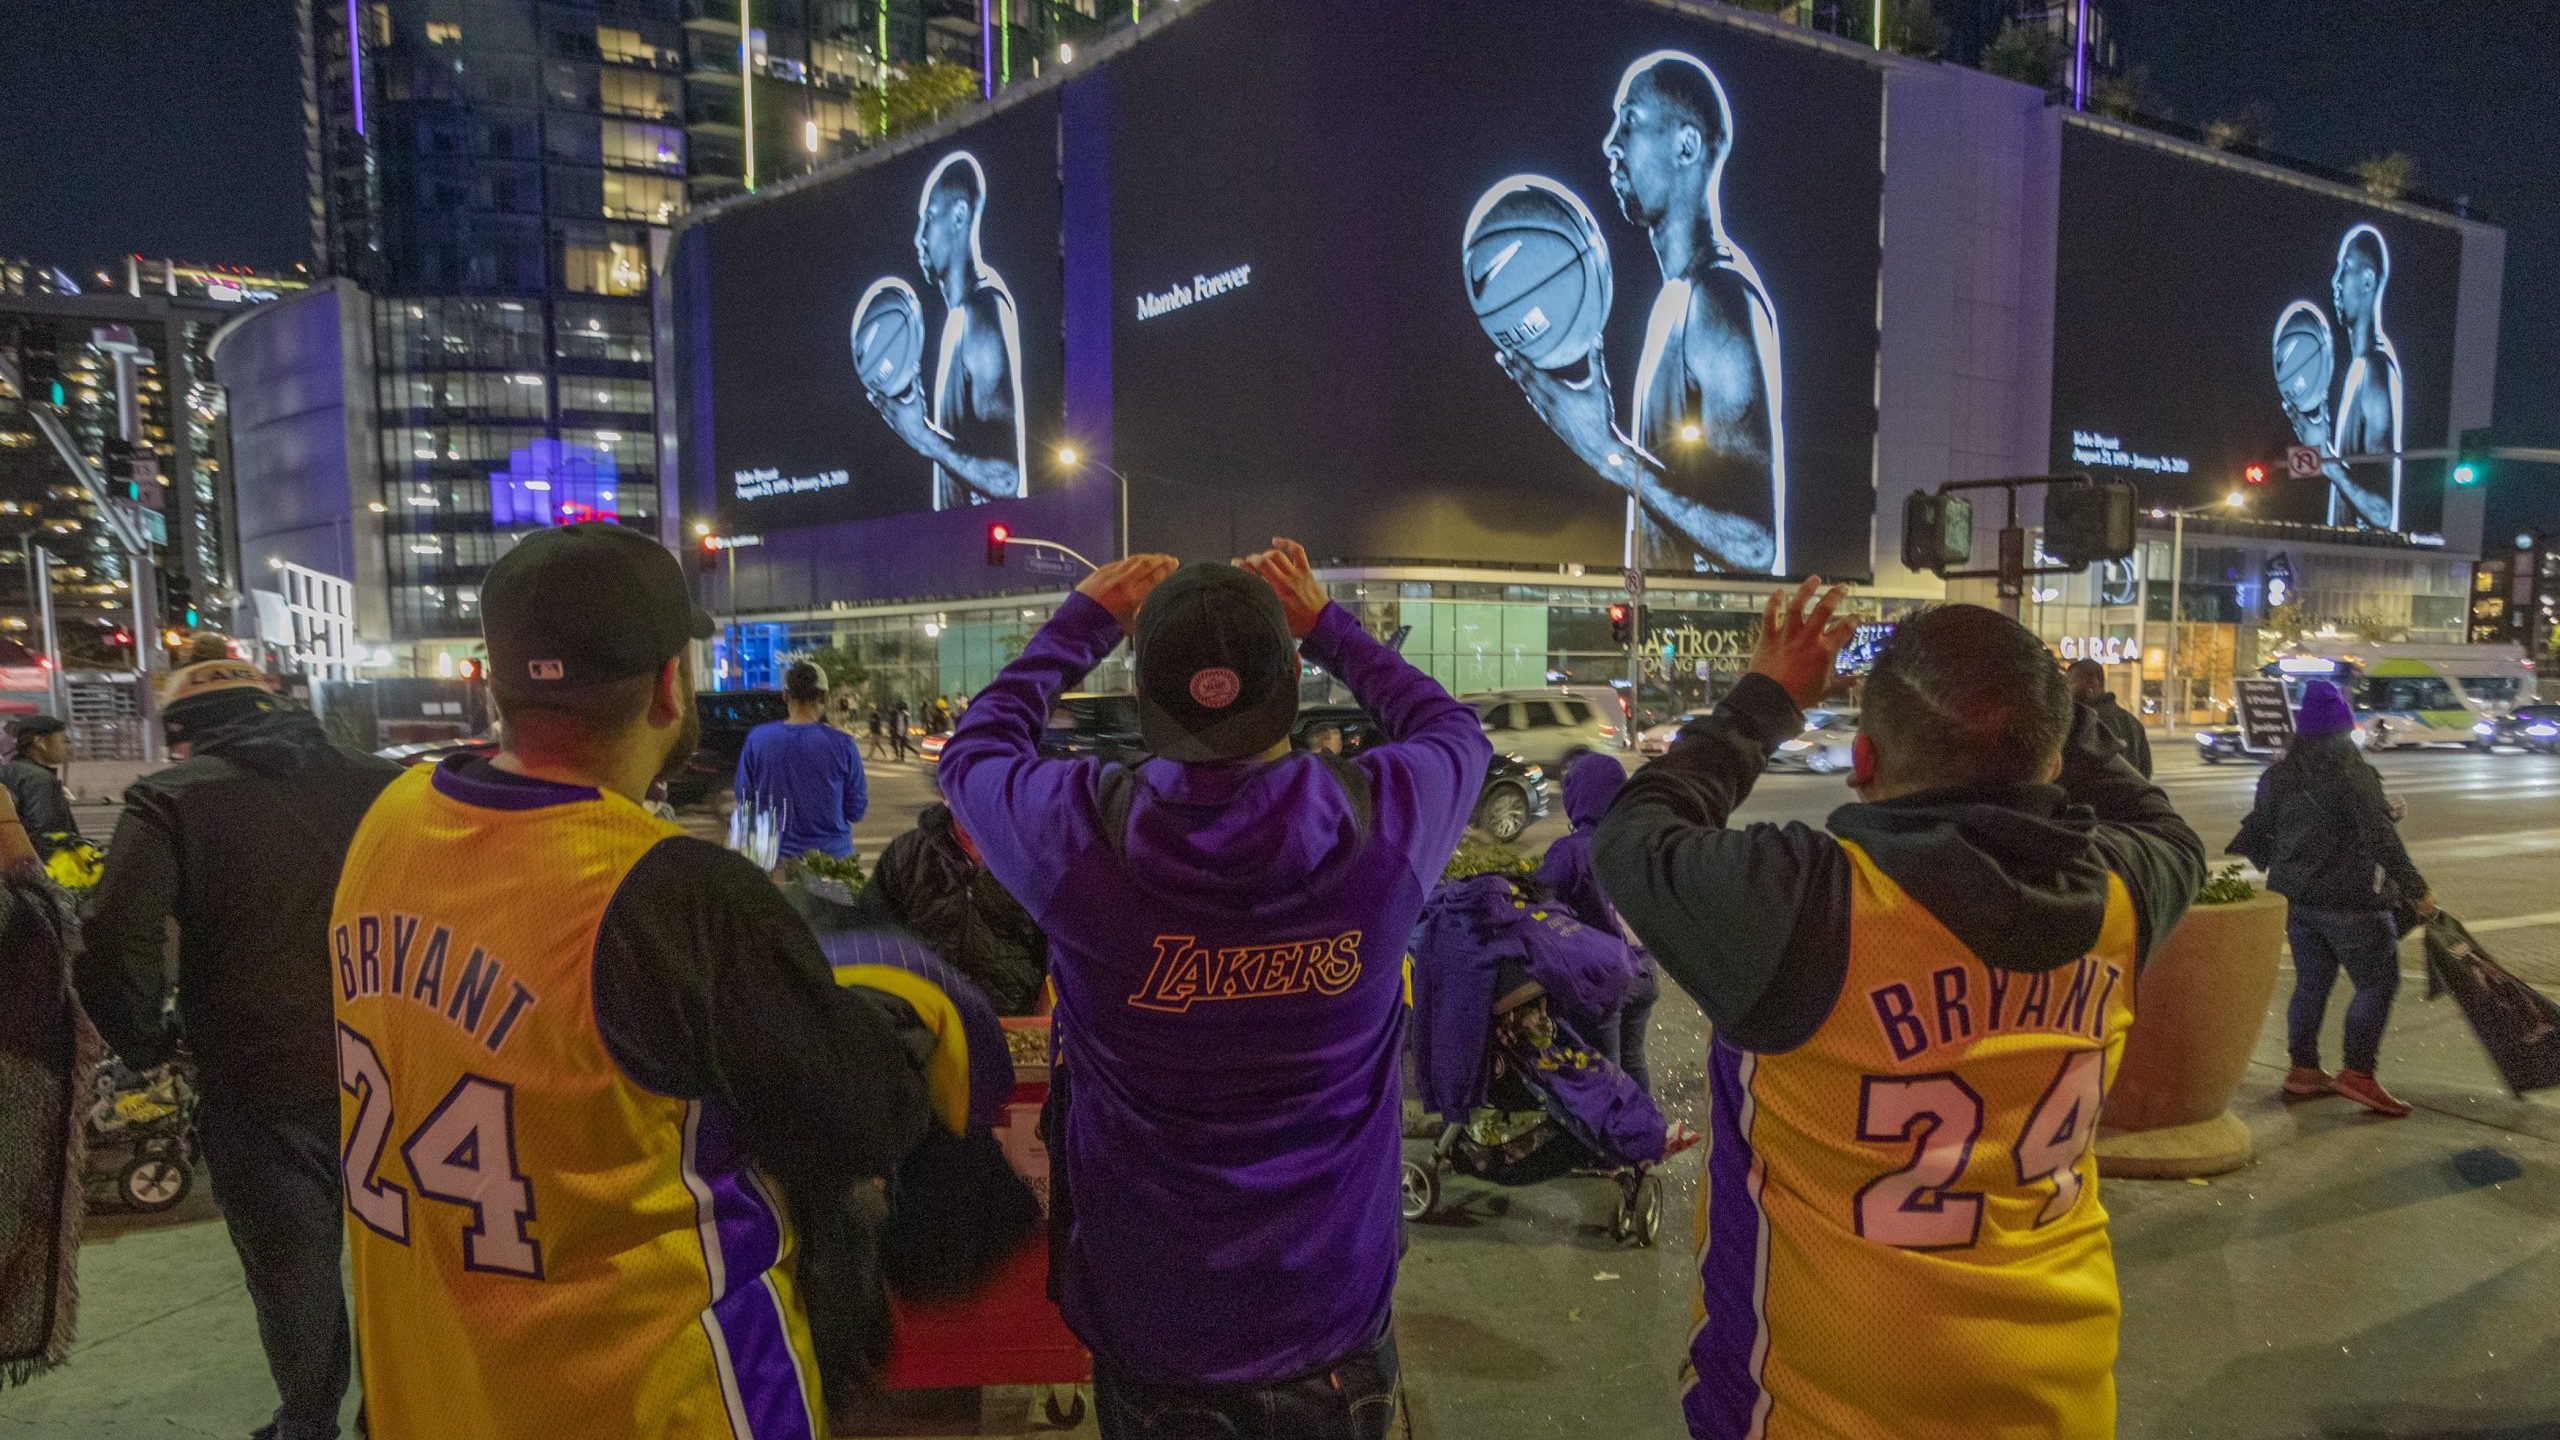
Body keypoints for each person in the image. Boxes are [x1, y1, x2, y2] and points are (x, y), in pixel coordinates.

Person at [327, 523, 928, 1439]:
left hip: (433, 1388)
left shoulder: (391, 822)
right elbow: (862, 1117)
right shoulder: (662, 889)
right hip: (649, 1400)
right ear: (666, 684)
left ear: (498, 681)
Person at [1594, 585, 2206, 1440]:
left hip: (1817, 1405)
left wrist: (1768, 693)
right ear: (2055, 758)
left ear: (1865, 760)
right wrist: (2052, 712)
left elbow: (1631, 835)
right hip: (2058, 1395)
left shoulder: (1809, 908)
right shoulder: (2124, 897)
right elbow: (2163, 826)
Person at [940, 539, 1490, 1438]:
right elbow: (1455, 732)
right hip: (1330, 1324)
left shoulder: (1077, 835)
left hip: (1154, 1325)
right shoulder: (1385, 821)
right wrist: (1329, 627)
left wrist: (1082, 621)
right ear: (1291, 689)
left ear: (1144, 698)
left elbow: (974, 750)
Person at [78, 660, 402, 1440]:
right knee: (414, 1256)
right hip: (404, 1063)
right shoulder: (388, 786)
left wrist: (147, 1041)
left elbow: (116, 941)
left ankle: (309, 1421)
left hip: (260, 1075)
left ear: (187, 735)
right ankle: (407, 1413)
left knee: (292, 1268)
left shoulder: (173, 799)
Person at [1499, 50, 1783, 574]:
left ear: (1686, 145)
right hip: (1663, 646)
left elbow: (1755, 545)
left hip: (1708, 651)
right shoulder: (1674, 300)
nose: (1610, 143)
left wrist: (1606, 449)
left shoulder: (1717, 302)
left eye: (1629, 122)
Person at [2230, 679, 2430, 1116]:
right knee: (2378, 982)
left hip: (2295, 899)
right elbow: (2382, 841)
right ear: (2343, 726)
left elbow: (2268, 828)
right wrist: (2418, 890)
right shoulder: (2352, 775)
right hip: (2349, 899)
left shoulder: (2279, 775)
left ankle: (2303, 1069)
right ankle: (2358, 1073)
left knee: (2312, 982)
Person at [864, 150, 1027, 509]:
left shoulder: (980, 314)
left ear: (958, 216)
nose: (918, 237)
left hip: (989, 562)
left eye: (929, 219)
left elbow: (1007, 478)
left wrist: (921, 435)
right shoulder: (959, 315)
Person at [1537, 751, 1663, 1093]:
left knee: (1605, 1074)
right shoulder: (1639, 841)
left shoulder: (1571, 850)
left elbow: (1543, 906)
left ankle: (1611, 1144)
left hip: (1603, 977)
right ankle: (1646, 1138)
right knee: (1634, 1060)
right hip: (1645, 969)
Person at [854, 801, 1047, 1016]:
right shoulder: (907, 854)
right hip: (925, 1020)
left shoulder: (1036, 859)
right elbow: (870, 938)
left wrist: (1041, 1024)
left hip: (1013, 1023)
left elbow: (1064, 957)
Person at [2286, 226, 2400, 530]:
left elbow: (2383, 513)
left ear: (2367, 281)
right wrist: (2315, 448)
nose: (2335, 282)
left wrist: (2327, 461)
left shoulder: (2374, 369)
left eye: (2345, 269)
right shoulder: (2358, 368)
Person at [735, 658, 868, 861]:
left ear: (785, 695)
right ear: (823, 696)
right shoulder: (842, 744)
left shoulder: (758, 739)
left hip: (775, 861)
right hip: (833, 862)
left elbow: (744, 799)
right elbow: (856, 810)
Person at [0, 715, 80, 861]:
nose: (68, 747)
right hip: (43, 869)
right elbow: (47, 836)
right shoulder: (39, 779)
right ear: (39, 742)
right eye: (64, 740)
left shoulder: (11, 770)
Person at [2067, 658, 2152, 778]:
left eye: (2071, 682)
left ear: (2093, 683)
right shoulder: (2134, 723)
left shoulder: (2086, 723)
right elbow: (2145, 771)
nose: (2068, 690)